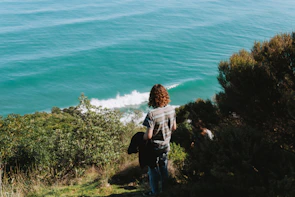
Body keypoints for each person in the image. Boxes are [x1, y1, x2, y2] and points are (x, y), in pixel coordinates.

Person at [142, 84, 177, 196]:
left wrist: (140, 138)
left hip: (154, 148)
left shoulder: (151, 114)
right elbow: (174, 127)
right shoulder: (171, 109)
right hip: (166, 145)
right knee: (163, 168)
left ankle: (155, 192)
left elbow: (148, 136)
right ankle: (166, 191)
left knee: (153, 171)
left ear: (152, 97)